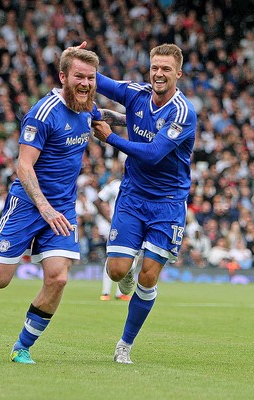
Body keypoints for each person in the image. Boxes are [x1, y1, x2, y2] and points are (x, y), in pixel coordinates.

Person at [0, 47, 101, 364]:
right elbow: (24, 166)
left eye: (90, 77)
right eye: (79, 76)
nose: (86, 83)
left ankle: (22, 346)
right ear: (63, 77)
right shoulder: (43, 113)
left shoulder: (89, 108)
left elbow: (112, 118)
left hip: (62, 209)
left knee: (58, 278)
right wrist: (44, 208)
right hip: (29, 205)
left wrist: (150, 123)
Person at [91, 42, 197, 363]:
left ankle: (125, 344)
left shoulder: (182, 112)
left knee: (148, 277)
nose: (159, 74)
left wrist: (110, 135)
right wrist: (73, 60)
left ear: (178, 73)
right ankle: (125, 272)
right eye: (155, 68)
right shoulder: (137, 93)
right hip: (134, 195)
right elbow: (97, 80)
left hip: (167, 203)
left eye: (166, 69)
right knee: (116, 270)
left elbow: (152, 155)